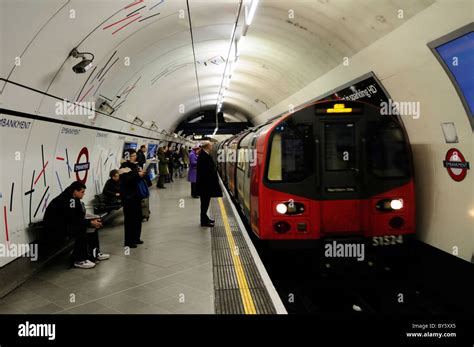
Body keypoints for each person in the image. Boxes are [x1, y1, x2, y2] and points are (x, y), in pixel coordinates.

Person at [43, 181, 109, 269]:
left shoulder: (74, 198)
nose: (84, 194)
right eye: (82, 192)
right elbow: (73, 219)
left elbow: (78, 215)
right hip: (55, 227)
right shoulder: (68, 199)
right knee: (81, 229)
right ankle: (79, 260)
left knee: (91, 226)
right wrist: (89, 222)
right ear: (75, 191)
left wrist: (92, 221)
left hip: (64, 223)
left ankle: (94, 253)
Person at [119, 149, 145, 248]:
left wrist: (142, 174)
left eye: (135, 155)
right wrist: (137, 175)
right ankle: (129, 241)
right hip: (128, 197)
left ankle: (136, 238)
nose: (135, 157)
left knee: (138, 217)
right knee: (130, 219)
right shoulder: (123, 167)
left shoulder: (135, 165)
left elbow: (135, 178)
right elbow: (127, 180)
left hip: (136, 195)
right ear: (127, 157)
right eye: (133, 155)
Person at [196, 141, 222, 227]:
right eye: (211, 145)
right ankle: (204, 221)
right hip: (205, 185)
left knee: (205, 203)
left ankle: (205, 218)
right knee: (204, 203)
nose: (212, 147)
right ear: (207, 147)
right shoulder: (203, 156)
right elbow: (204, 171)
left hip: (205, 185)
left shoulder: (204, 154)